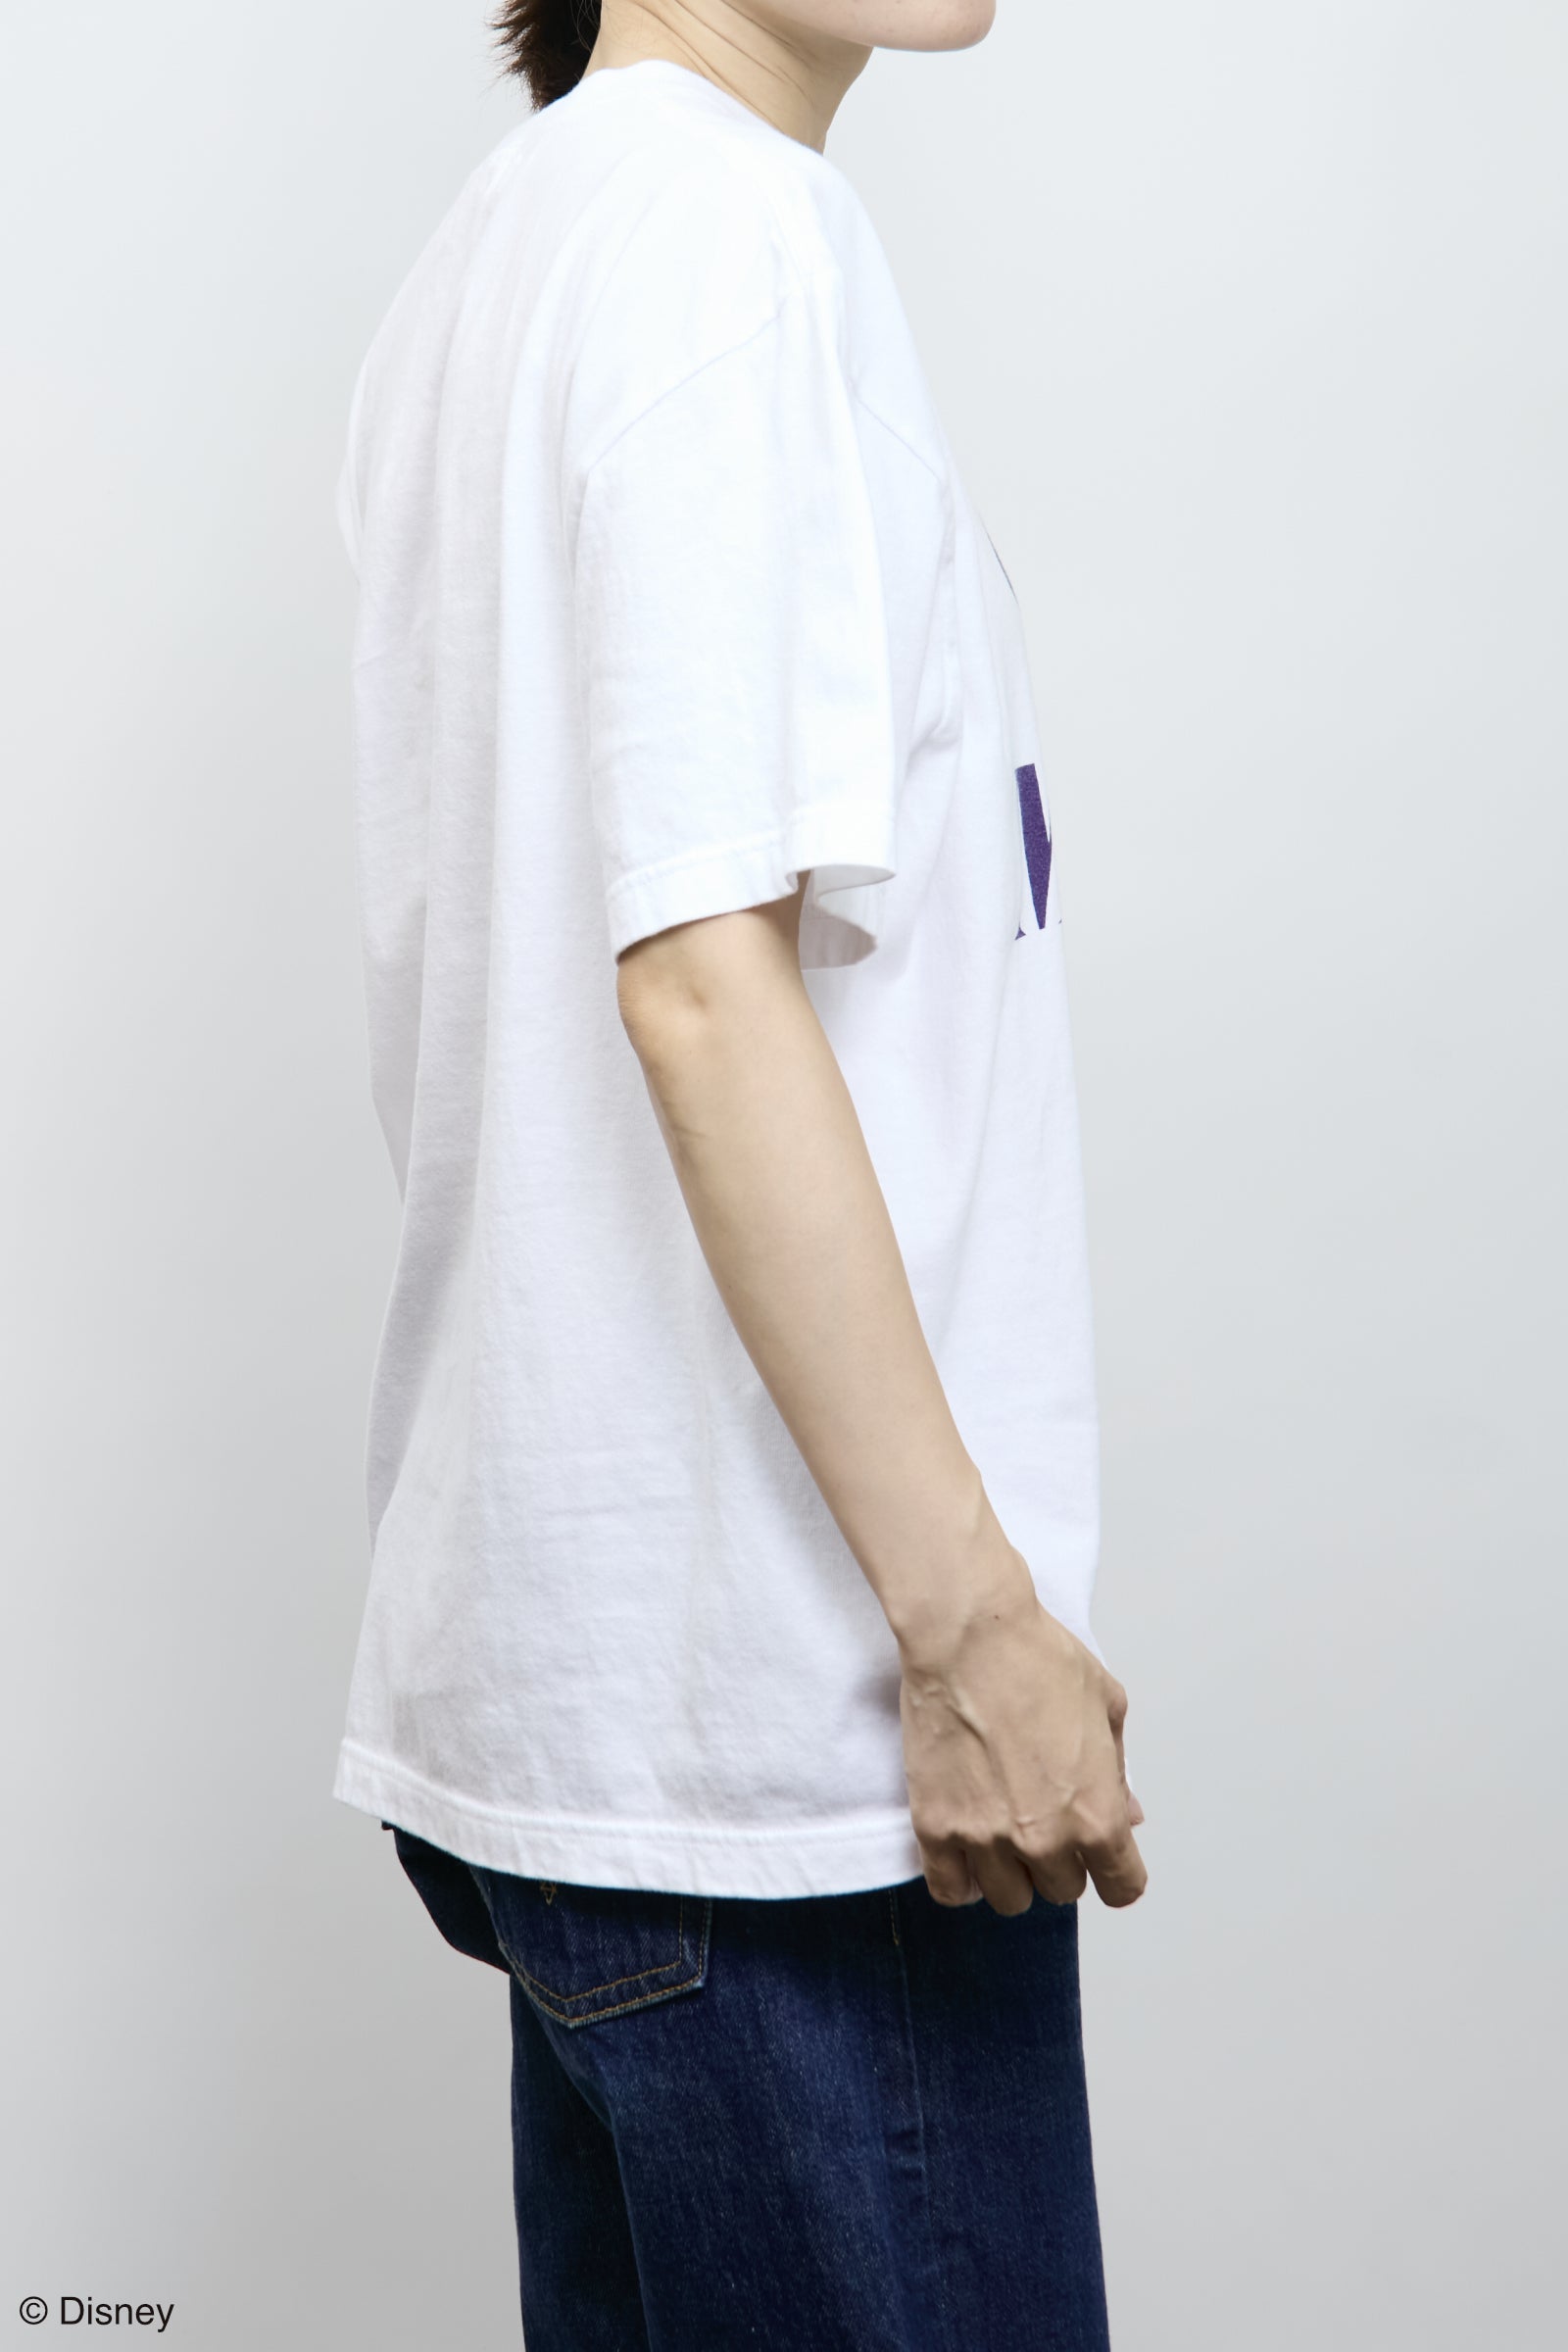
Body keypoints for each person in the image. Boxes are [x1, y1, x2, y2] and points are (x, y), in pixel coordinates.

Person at [332, 2, 1149, 2342]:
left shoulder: (500, 253)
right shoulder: (723, 233)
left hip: (603, 1735)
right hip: (789, 1753)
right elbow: (697, 976)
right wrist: (966, 1628)